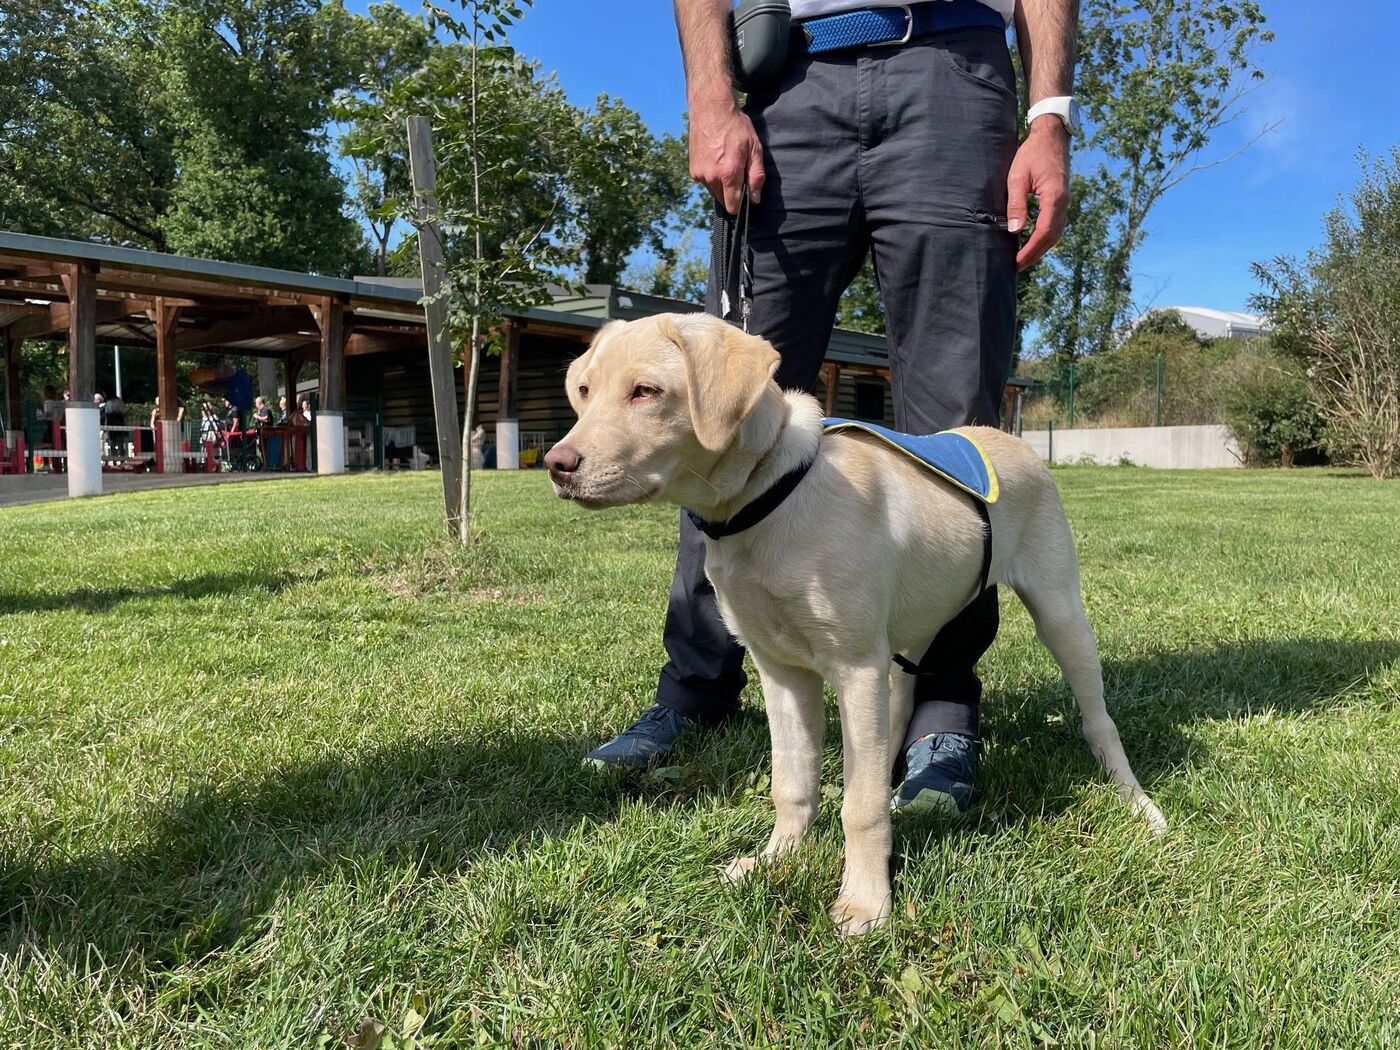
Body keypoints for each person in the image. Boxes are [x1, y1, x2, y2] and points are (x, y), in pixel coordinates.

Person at [586, 0, 1077, 818]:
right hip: (790, 85)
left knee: (955, 435)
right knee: (718, 414)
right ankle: (696, 689)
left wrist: (1049, 115)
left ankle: (940, 712)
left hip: (956, 75)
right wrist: (712, 97)